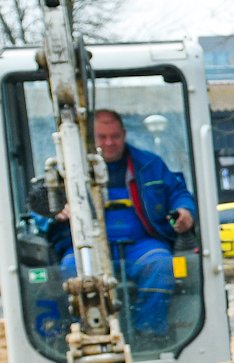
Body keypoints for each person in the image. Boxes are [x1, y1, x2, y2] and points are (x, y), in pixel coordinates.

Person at [51, 110, 196, 337]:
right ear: (88, 137)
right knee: (71, 270)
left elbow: (178, 192)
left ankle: (148, 333)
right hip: (88, 247)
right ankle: (87, 333)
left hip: (141, 245)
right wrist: (56, 210)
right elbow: (41, 204)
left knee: (160, 264)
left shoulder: (150, 165)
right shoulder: (66, 170)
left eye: (115, 136)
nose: (109, 143)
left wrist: (185, 210)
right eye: (101, 137)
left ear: (124, 134)